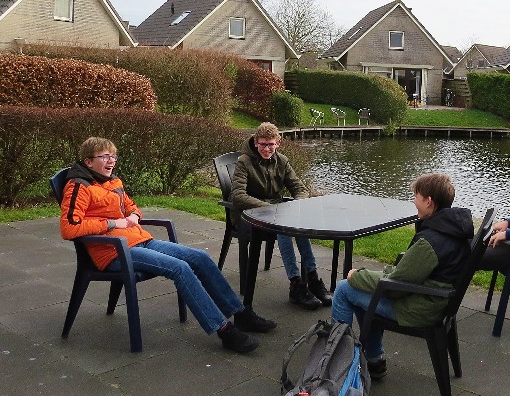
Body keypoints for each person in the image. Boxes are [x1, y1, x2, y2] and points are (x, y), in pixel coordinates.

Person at [59, 137, 275, 354]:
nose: (111, 160)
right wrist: (114, 223)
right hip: (114, 252)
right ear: (88, 162)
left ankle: (240, 313)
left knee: (200, 257)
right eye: (104, 156)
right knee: (179, 268)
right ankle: (224, 330)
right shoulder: (79, 186)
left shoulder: (113, 182)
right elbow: (69, 228)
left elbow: (132, 208)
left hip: (140, 240)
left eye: (113, 156)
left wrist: (133, 215)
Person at [330, 173, 474, 380]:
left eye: (416, 196)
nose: (413, 201)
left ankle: (337, 361)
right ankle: (374, 360)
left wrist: (357, 276)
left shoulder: (431, 241)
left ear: (428, 202)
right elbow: (407, 274)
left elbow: (395, 286)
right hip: (435, 301)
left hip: (419, 307)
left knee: (345, 289)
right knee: (362, 291)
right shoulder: (454, 229)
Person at [230, 122, 331, 310]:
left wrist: (297, 203)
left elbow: (299, 188)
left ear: (278, 143)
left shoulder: (282, 161)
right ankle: (295, 283)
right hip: (248, 216)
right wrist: (269, 207)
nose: (267, 149)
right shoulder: (244, 161)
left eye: (270, 145)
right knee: (284, 227)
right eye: (262, 144)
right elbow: (238, 196)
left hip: (276, 212)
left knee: (296, 224)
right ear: (255, 142)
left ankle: (313, 278)